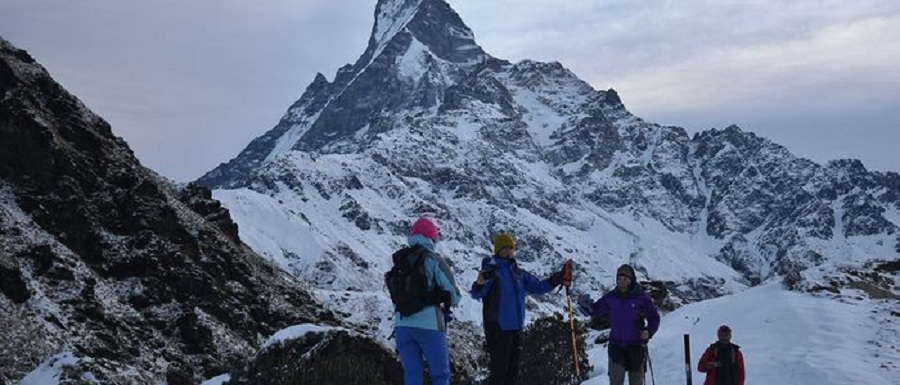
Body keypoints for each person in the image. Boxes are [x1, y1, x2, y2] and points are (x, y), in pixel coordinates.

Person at [470, 233, 570, 385]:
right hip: (498, 328)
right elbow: (477, 293)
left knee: (513, 373)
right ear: (497, 250)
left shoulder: (517, 273)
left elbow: (538, 286)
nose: (509, 251)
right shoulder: (492, 271)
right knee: (499, 373)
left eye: (510, 248)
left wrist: (558, 278)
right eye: (505, 248)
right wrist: (479, 284)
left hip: (516, 329)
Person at [393, 217, 461, 385]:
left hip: (402, 326)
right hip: (430, 326)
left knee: (412, 375)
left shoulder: (401, 259)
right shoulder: (433, 259)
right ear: (432, 238)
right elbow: (454, 295)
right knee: (440, 375)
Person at [579, 264, 660, 385]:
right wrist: (586, 306)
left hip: (636, 346)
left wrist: (648, 332)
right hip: (616, 346)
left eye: (625, 279)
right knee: (615, 381)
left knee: (636, 382)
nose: (621, 282)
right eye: (619, 279)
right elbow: (595, 310)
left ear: (631, 280)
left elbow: (654, 318)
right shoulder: (611, 297)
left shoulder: (641, 298)